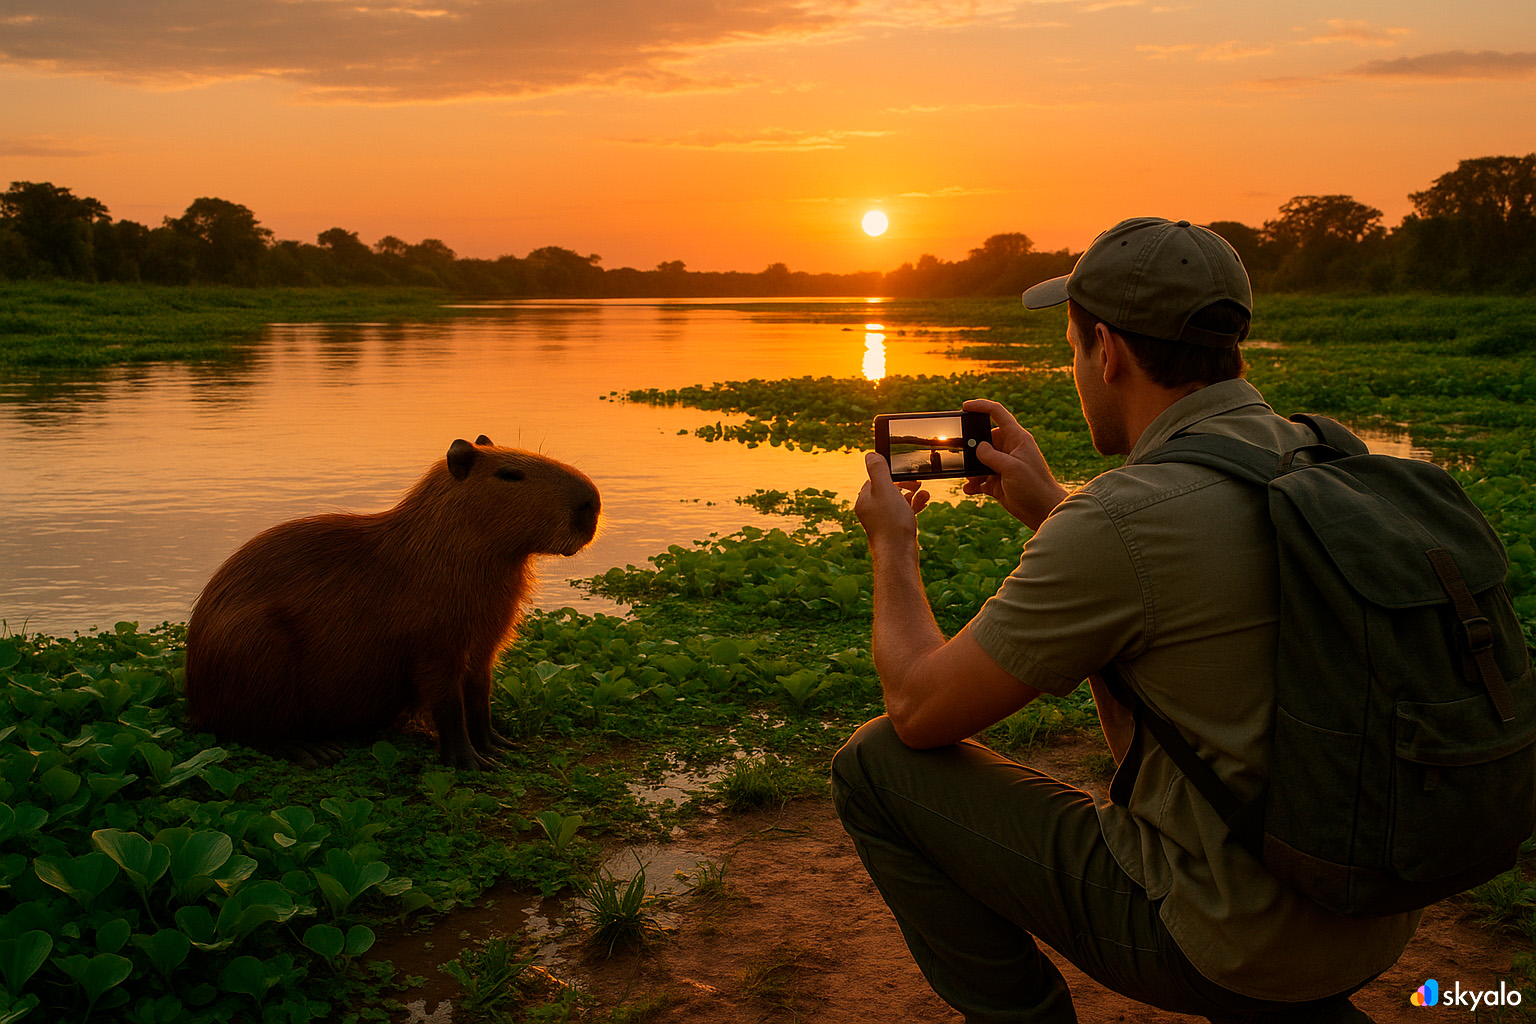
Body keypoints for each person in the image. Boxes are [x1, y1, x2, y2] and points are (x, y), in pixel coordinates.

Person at [831, 217, 1419, 1023]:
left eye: (1072, 350)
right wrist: (1051, 511)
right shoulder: (1326, 459)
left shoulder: (1126, 520)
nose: (1077, 370)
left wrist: (892, 546)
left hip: (1234, 941)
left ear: (1105, 350)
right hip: (1372, 912)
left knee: (874, 764)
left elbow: (920, 708)